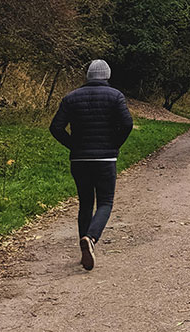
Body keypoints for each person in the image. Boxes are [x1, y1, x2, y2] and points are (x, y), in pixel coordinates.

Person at [49, 60, 134, 271]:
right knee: (105, 202)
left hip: (79, 161)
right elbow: (127, 124)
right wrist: (115, 144)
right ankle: (91, 239)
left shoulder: (71, 98)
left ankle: (83, 248)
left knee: (85, 203)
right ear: (107, 76)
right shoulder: (115, 96)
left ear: (88, 76)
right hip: (105, 160)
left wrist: (73, 146)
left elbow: (56, 127)